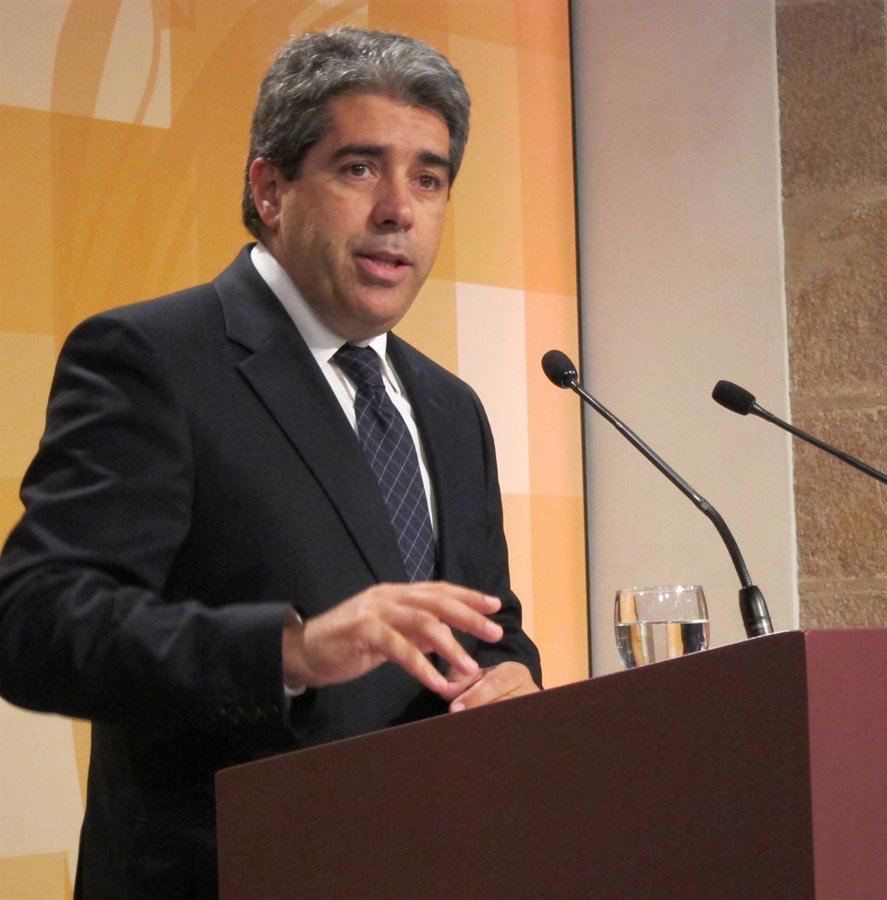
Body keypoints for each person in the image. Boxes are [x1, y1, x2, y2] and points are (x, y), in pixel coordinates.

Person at [0, 27, 540, 899]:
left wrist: (514, 672)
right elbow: (35, 626)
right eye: (360, 168)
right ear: (269, 188)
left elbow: (484, 624)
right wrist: (289, 651)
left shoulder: (451, 409)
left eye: (428, 179)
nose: (399, 210)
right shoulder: (155, 360)